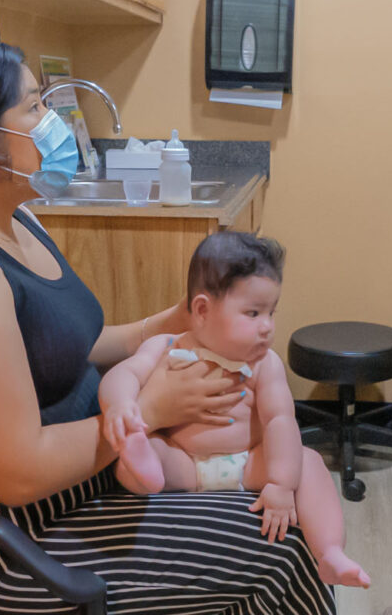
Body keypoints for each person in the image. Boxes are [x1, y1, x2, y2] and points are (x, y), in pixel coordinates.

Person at [0, 35, 335, 615]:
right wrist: (149, 412)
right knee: (280, 552)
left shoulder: (13, 220)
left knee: (287, 500)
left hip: (80, 488)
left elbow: (81, 345)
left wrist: (183, 321)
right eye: (35, 107)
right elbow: (18, 473)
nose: (54, 122)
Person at [100, 232, 371, 588]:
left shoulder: (264, 365)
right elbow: (124, 373)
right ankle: (145, 473)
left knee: (309, 461)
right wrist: (120, 404)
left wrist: (280, 483)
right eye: (253, 313)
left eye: (271, 312)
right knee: (139, 453)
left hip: (247, 464)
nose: (267, 326)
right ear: (201, 311)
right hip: (183, 463)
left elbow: (280, 420)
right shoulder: (165, 346)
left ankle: (330, 552)